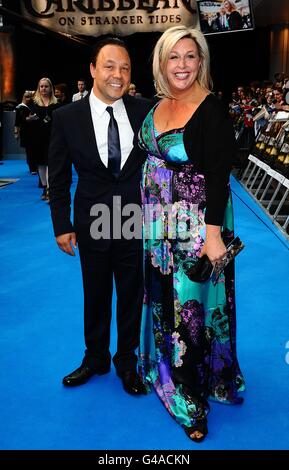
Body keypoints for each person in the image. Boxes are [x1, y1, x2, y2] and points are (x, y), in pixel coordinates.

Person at [138, 26, 245, 442]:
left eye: (190, 56)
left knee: (190, 311)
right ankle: (161, 369)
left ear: (201, 61)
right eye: (173, 57)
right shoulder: (157, 104)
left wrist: (214, 236)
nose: (182, 65)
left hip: (196, 228)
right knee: (163, 299)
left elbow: (219, 177)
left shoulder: (210, 108)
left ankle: (190, 399)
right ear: (161, 63)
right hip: (155, 228)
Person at [48, 37, 152, 395]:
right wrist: (61, 225)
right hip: (90, 219)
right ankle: (95, 357)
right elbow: (58, 177)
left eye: (124, 67)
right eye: (109, 66)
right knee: (94, 292)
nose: (117, 74)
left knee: (130, 292)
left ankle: (127, 360)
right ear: (92, 69)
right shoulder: (66, 117)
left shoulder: (145, 111)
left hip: (134, 218)